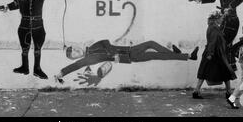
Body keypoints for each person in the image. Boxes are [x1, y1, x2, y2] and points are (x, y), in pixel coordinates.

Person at [0, 0, 88, 79]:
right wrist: (7, 7)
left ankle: (37, 69)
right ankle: (24, 68)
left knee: (37, 49)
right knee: (24, 49)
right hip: (23, 25)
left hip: (38, 25)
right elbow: (16, 4)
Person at [54, 40, 199, 83]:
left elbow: (106, 42)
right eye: (74, 55)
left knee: (152, 44)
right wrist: (61, 73)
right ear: (76, 57)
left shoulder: (94, 45)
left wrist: (112, 53)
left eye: (74, 49)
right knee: (156, 55)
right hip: (130, 58)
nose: (76, 53)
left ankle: (179, 54)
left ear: (77, 46)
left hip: (130, 49)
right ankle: (186, 56)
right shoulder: (86, 60)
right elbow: (73, 67)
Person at [192, 0, 243, 71]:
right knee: (221, 45)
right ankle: (228, 69)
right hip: (224, 19)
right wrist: (201, 0)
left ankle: (230, 66)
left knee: (224, 45)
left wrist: (230, 6)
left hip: (232, 20)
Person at [192, 11, 237, 99]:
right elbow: (212, 41)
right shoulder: (214, 28)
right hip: (215, 53)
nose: (222, 20)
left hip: (214, 52)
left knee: (204, 72)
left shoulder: (212, 26)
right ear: (216, 19)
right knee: (225, 71)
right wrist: (210, 54)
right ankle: (228, 92)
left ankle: (196, 92)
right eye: (221, 19)